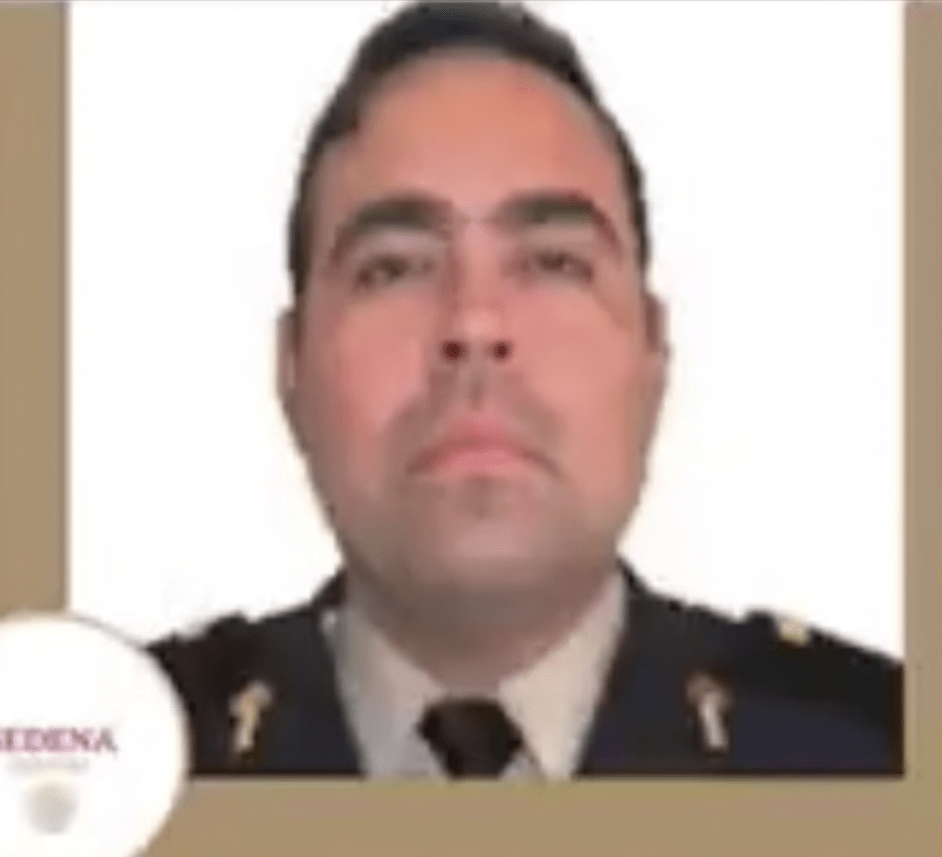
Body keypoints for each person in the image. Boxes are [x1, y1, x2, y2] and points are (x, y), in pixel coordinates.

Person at [147, 0, 902, 778]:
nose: (473, 322)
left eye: (552, 263)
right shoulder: (124, 762)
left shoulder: (884, 754)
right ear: (291, 365)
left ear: (652, 351)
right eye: (393, 268)